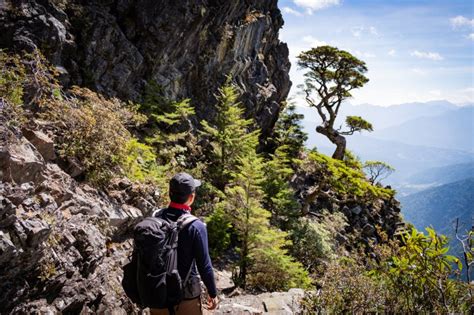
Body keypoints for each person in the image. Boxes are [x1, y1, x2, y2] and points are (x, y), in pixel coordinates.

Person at [150, 172, 219, 315]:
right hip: (186, 297)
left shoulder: (155, 218)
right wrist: (212, 293)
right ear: (191, 197)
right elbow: (204, 266)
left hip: (157, 294)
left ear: (169, 193)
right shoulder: (196, 226)